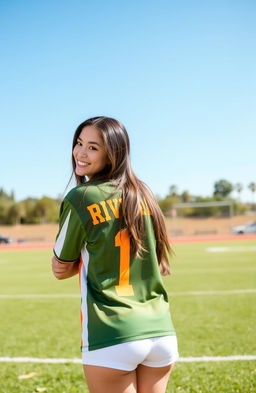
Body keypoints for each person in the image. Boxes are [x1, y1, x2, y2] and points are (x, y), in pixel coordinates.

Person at [51, 116, 179, 393]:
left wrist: (89, 257)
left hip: (112, 332)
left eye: (93, 147)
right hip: (161, 331)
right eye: (79, 143)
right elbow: (159, 261)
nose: (81, 153)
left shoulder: (81, 196)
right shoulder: (145, 194)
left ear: (113, 153)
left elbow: (60, 268)